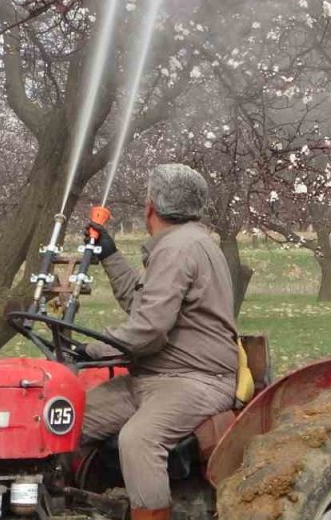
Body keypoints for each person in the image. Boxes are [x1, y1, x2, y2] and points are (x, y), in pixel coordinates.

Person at [80, 163, 240, 520]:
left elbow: (149, 331)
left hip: (194, 379)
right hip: (154, 377)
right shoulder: (186, 243)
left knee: (140, 439)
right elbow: (145, 303)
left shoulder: (179, 249)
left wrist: (94, 349)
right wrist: (110, 254)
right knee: (65, 419)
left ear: (149, 205)